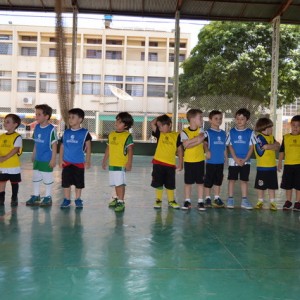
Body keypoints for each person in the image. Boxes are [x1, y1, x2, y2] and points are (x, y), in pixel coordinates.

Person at [59, 108, 92, 209]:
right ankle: (67, 199)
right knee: (66, 183)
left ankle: (78, 199)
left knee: (79, 183)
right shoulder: (66, 132)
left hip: (79, 163)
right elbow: (62, 146)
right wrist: (60, 159)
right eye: (69, 117)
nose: (70, 119)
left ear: (80, 119)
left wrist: (88, 161)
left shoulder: (85, 133)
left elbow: (88, 147)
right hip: (67, 162)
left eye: (73, 117)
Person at [102, 112, 134, 212]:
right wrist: (104, 160)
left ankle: (121, 201)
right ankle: (117, 198)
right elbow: (108, 148)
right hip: (112, 163)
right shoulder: (111, 134)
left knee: (120, 183)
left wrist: (129, 163)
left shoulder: (127, 136)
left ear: (126, 125)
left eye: (120, 122)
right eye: (117, 120)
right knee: (116, 183)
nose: (116, 123)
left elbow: (130, 150)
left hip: (121, 164)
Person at [26, 104, 57, 207]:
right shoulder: (37, 127)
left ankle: (48, 197)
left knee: (47, 178)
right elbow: (36, 142)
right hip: (38, 159)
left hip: (47, 159)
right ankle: (36, 195)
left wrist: (53, 159)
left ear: (46, 116)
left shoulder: (51, 129)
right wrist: (33, 154)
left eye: (39, 114)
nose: (36, 116)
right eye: (36, 114)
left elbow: (54, 145)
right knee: (36, 177)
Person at [226, 108, 257, 209]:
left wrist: (244, 160)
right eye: (237, 118)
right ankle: (230, 199)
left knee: (244, 180)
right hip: (233, 160)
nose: (239, 121)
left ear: (247, 120)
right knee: (231, 180)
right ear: (235, 119)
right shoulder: (231, 132)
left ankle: (244, 200)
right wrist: (235, 158)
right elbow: (230, 146)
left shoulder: (250, 132)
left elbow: (251, 147)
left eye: (242, 119)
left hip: (245, 161)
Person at [150, 114, 183, 209]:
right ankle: (158, 200)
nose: (159, 128)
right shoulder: (159, 134)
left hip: (170, 165)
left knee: (170, 184)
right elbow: (152, 123)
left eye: (162, 126)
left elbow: (180, 150)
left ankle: (171, 200)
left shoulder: (176, 135)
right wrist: (161, 117)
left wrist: (181, 164)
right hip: (158, 163)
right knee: (158, 183)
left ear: (170, 125)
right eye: (159, 126)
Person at [180, 109, 206, 211]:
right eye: (200, 117)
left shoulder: (201, 130)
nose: (202, 119)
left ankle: (200, 201)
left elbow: (198, 141)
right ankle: (187, 201)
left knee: (200, 182)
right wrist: (195, 141)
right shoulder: (184, 132)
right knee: (188, 182)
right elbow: (185, 145)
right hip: (188, 161)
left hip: (199, 160)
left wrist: (189, 142)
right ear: (192, 119)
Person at [254, 117, 280, 211]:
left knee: (272, 186)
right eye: (270, 128)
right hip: (262, 168)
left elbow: (278, 145)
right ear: (264, 128)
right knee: (261, 186)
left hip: (272, 167)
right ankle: (260, 201)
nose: (272, 129)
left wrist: (272, 146)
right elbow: (265, 146)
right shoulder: (259, 137)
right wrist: (273, 146)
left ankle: (272, 202)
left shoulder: (271, 137)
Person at [203, 110, 227, 208]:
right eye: (216, 118)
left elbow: (224, 147)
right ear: (210, 120)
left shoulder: (223, 133)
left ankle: (216, 198)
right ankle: (207, 198)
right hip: (211, 161)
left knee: (218, 181)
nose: (218, 120)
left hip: (220, 162)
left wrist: (225, 157)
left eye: (220, 118)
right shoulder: (207, 133)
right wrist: (207, 151)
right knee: (208, 181)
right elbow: (204, 144)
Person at [278, 115, 300, 211]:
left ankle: (298, 202)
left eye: (298, 125)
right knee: (288, 185)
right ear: (291, 125)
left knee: (298, 185)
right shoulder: (286, 137)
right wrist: (279, 162)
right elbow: (282, 151)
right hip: (288, 165)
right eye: (294, 125)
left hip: (299, 165)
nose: (295, 127)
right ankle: (288, 201)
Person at [0, 114, 22, 207]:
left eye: (8, 122)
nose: (5, 123)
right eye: (4, 121)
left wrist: (4, 158)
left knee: (14, 183)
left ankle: (14, 197)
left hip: (13, 165)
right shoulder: (1, 136)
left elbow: (15, 150)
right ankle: (1, 199)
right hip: (2, 166)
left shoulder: (17, 137)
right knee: (1, 182)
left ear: (15, 124)